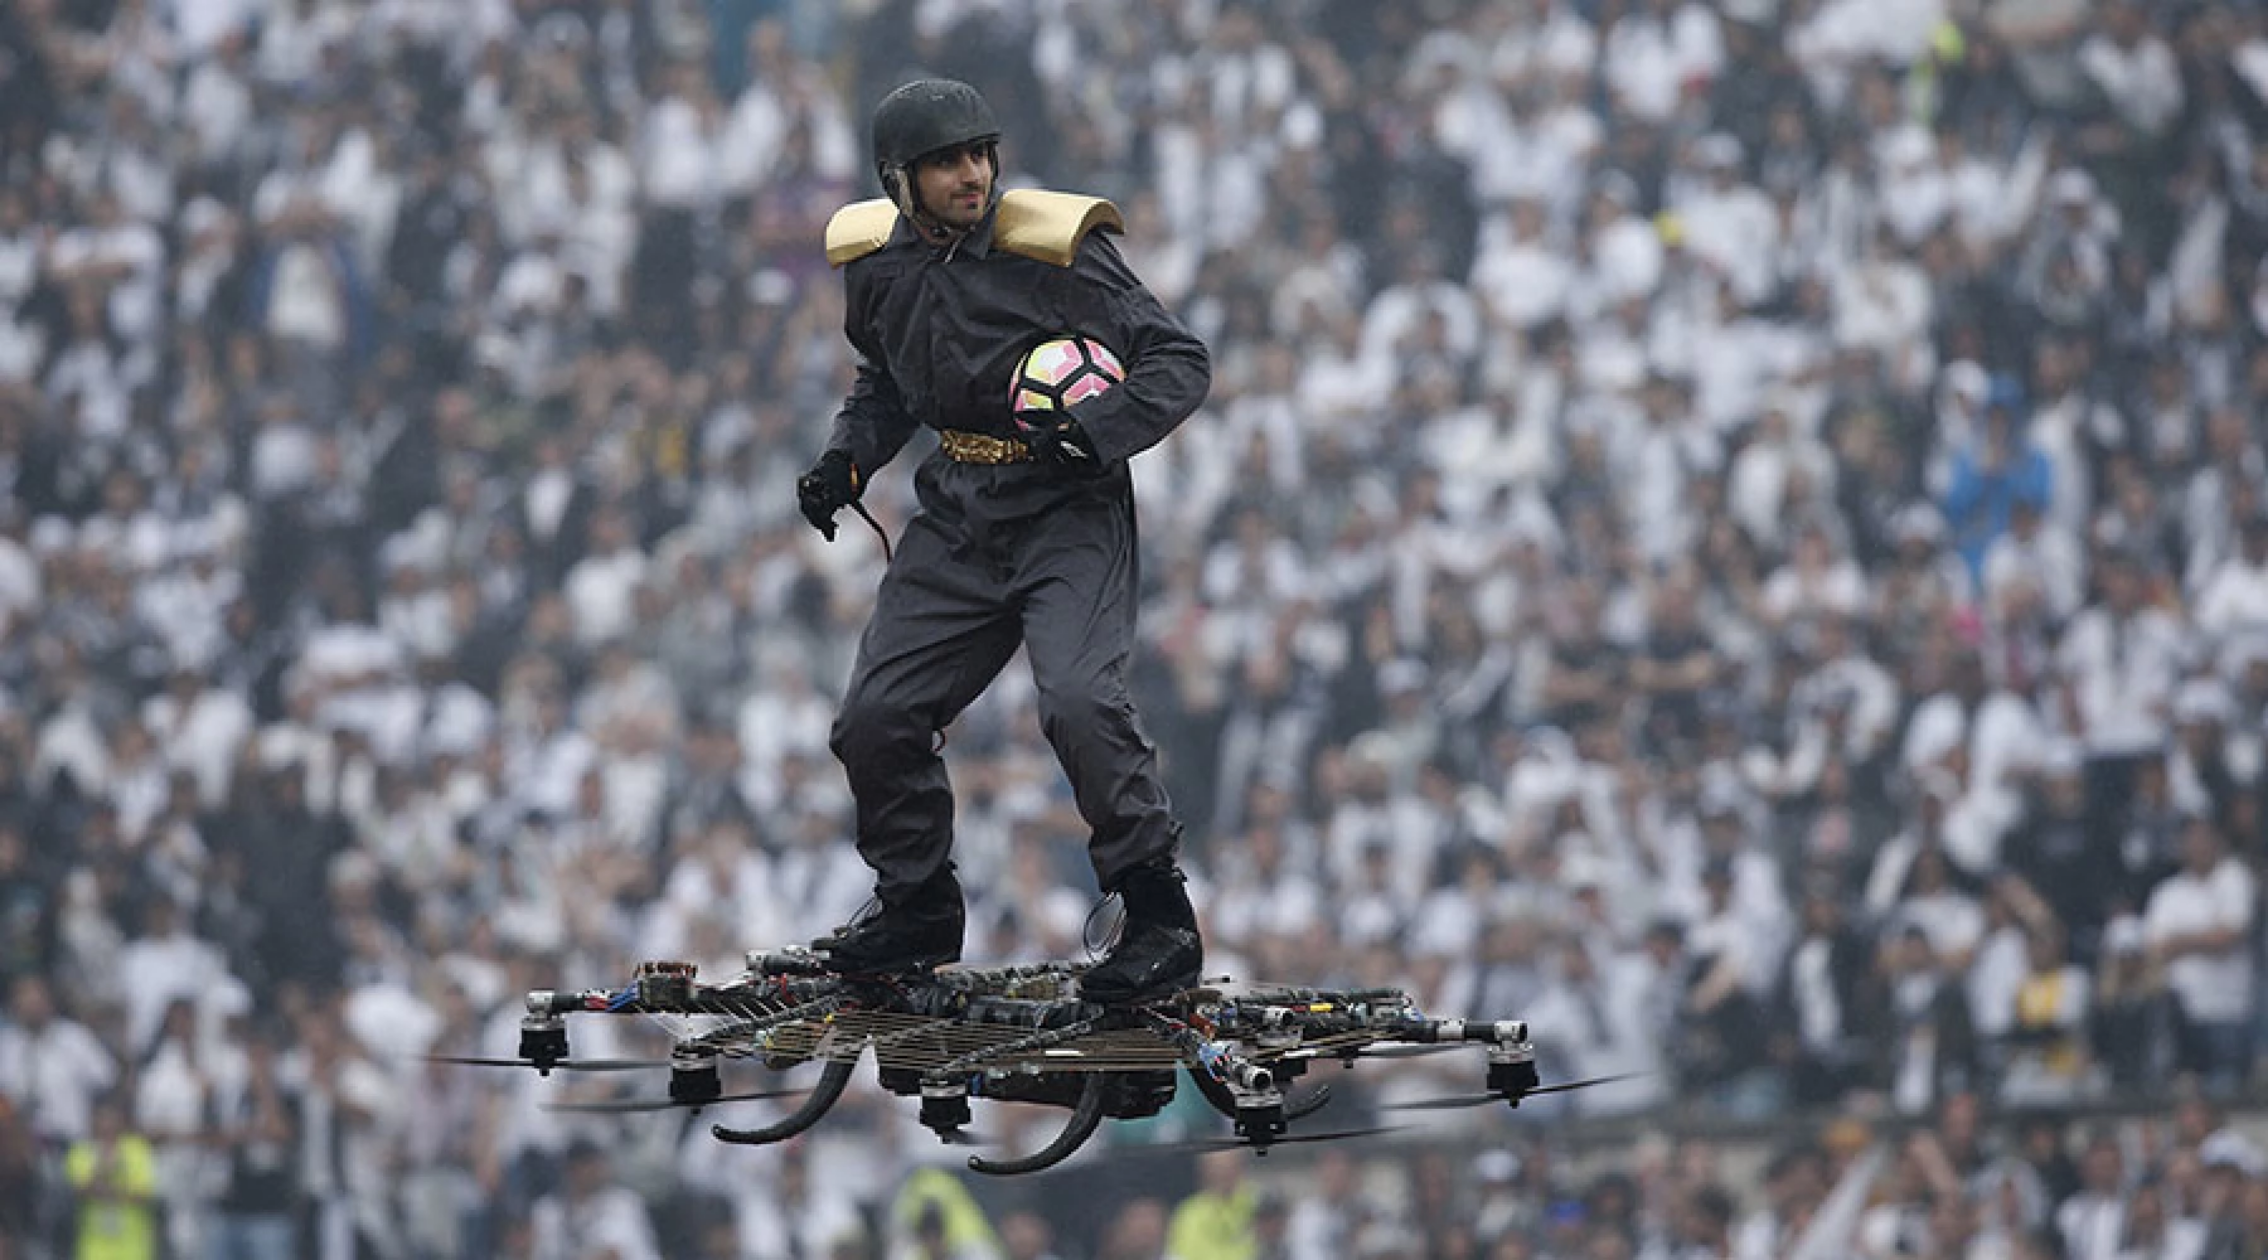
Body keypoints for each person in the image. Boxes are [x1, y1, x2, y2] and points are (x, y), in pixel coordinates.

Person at [795, 77, 1213, 1002]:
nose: (973, 173)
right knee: (874, 719)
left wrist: (1093, 433)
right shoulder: (877, 267)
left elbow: (1179, 359)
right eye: (947, 160)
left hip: (1070, 510)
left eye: (981, 153)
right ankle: (916, 909)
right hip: (957, 514)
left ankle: (1158, 917)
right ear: (900, 180)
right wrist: (845, 464)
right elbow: (888, 384)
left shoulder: (1056, 249)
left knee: (1075, 701)